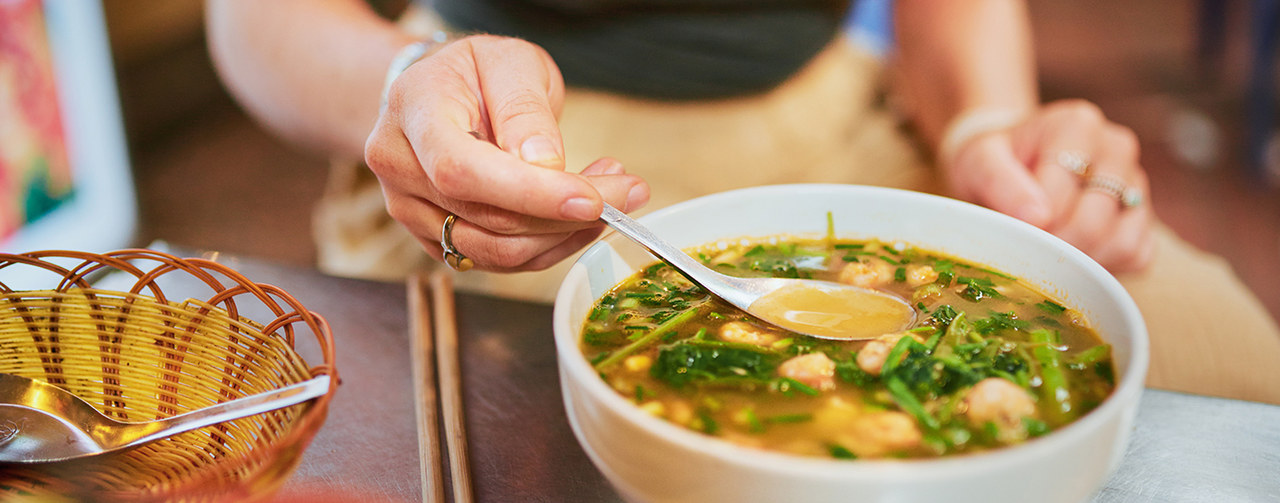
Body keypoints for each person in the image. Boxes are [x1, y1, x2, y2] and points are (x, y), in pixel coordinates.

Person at [205, 0, 1280, 404]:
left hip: (839, 124)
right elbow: (252, 20)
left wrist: (985, 129)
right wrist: (402, 87)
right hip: (504, 129)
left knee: (1240, 374)